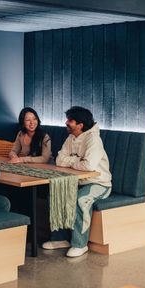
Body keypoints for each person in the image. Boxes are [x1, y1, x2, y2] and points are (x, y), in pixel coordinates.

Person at [42, 106, 112, 258]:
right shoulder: (71, 137)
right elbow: (59, 160)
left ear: (80, 125)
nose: (67, 123)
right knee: (56, 195)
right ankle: (60, 238)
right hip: (78, 182)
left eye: (70, 120)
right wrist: (77, 160)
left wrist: (71, 161)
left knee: (81, 200)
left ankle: (80, 244)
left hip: (99, 183)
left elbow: (88, 166)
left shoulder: (94, 140)